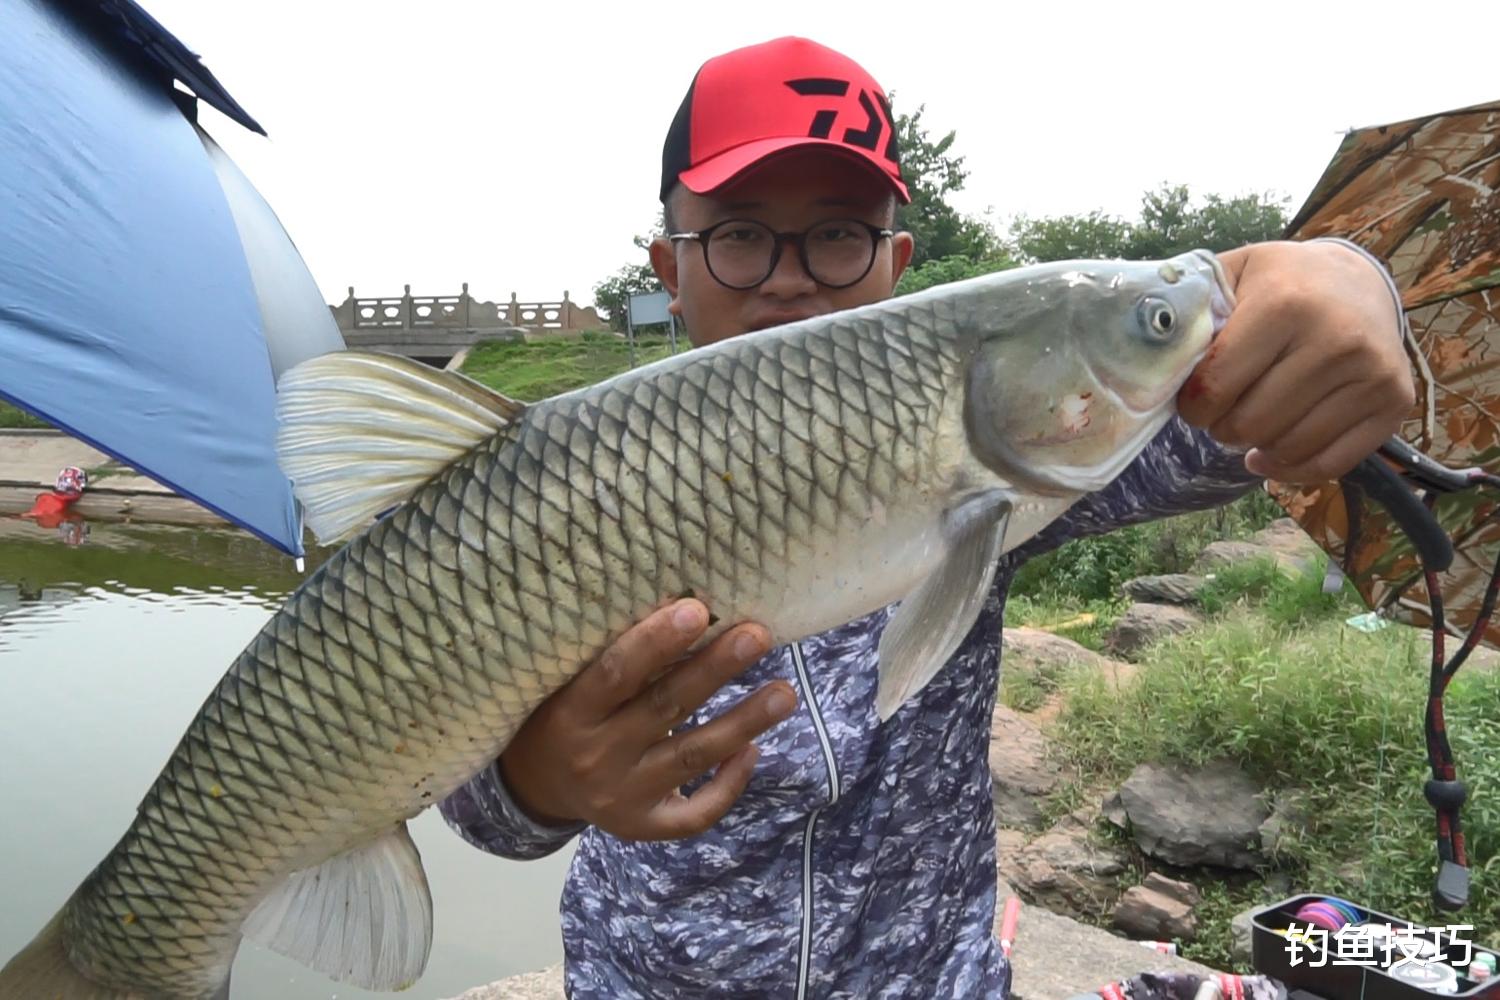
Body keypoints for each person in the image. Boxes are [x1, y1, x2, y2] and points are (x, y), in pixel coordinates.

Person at [440, 36, 1414, 998]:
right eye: (739, 233)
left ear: (897, 258)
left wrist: (1348, 276)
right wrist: (538, 786)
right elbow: (478, 815)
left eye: (837, 232)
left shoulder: (994, 451)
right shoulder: (568, 493)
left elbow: (1232, 431)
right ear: (669, 264)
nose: (789, 274)